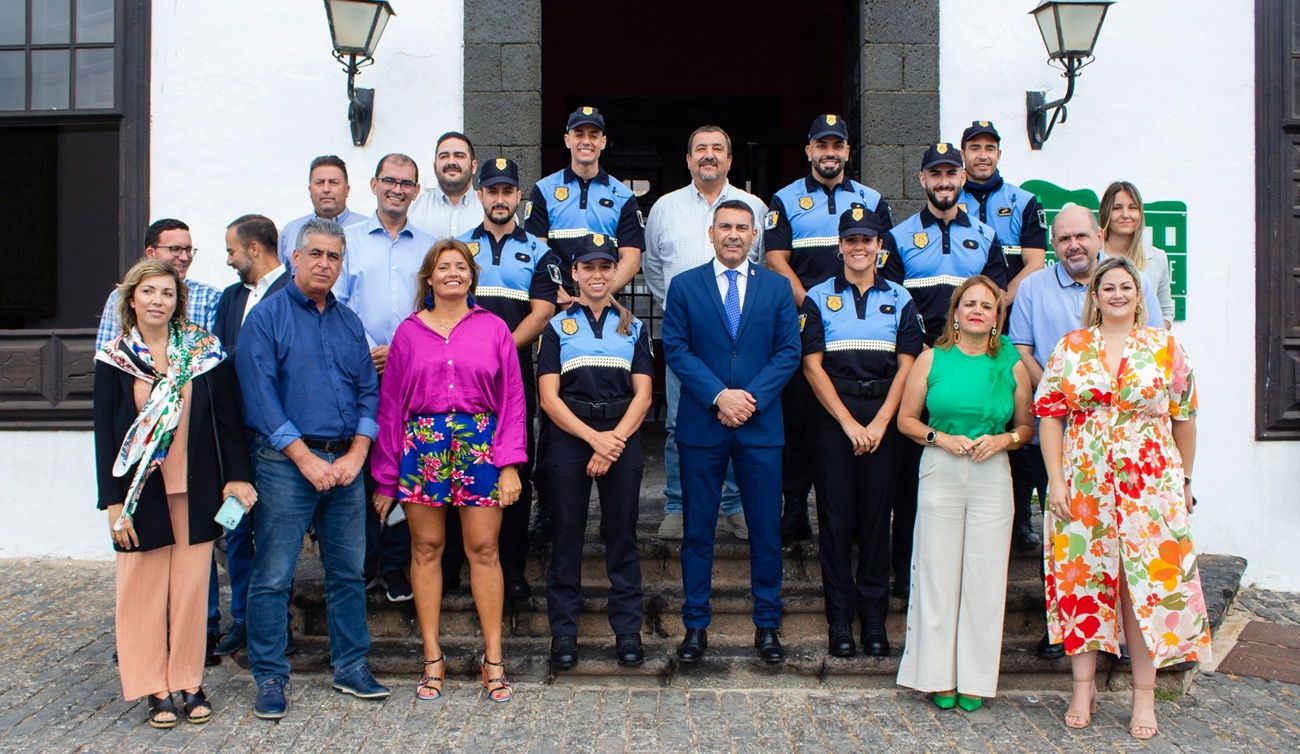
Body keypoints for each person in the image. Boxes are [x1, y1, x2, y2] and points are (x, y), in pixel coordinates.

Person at [1034, 256, 1209, 740]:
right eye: (1106, 287)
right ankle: (1082, 687)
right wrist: (1056, 481)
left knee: (1144, 590)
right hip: (1084, 486)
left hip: (1150, 488)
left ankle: (1144, 696)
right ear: (1094, 296)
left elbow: (1185, 417)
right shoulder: (1071, 347)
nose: (1116, 294)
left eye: (1125, 287)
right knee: (1083, 585)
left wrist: (1185, 480)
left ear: (1138, 296)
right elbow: (1049, 415)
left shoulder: (1164, 347)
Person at [237, 218, 389, 719]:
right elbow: (259, 396)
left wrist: (357, 455)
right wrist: (303, 458)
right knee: (274, 574)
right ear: (295, 259)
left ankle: (350, 666)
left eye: (334, 257)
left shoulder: (348, 322)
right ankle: (270, 675)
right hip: (285, 465)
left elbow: (369, 389)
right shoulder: (268, 317)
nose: (325, 264)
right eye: (317, 254)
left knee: (347, 573)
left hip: (346, 463)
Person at [93, 259, 255, 728]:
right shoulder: (115, 357)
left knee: (189, 593)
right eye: (149, 292)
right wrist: (113, 502)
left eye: (166, 293)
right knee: (141, 591)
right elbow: (105, 432)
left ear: (177, 301)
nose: (158, 301)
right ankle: (154, 686)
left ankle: (187, 678)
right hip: (141, 493)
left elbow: (228, 418)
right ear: (132, 299)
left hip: (196, 486)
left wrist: (237, 475)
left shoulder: (204, 351)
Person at [369, 239, 526, 703]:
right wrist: (385, 476)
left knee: (484, 548)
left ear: (471, 277)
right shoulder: (408, 332)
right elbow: (391, 406)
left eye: (461, 266)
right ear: (429, 278)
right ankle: (432, 656)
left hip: (481, 445)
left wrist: (510, 464)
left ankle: (493, 658)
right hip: (423, 447)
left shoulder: (494, 328)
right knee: (425, 547)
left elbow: (513, 402)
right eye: (444, 267)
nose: (453, 273)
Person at [1008, 204, 1164, 662]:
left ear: (1099, 234)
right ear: (1053, 246)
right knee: (1065, 539)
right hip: (1059, 433)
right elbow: (1021, 348)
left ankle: (1118, 633)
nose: (1073, 245)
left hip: (1131, 449)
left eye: (1080, 236)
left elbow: (1152, 340)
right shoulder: (1036, 286)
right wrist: (1060, 390)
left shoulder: (1127, 279)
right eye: (1063, 240)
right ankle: (1061, 628)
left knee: (1129, 545)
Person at [662, 200, 801, 664]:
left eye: (744, 227)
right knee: (698, 530)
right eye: (726, 226)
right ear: (711, 232)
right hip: (703, 424)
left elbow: (788, 353)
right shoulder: (684, 287)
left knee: (764, 530)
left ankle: (767, 625)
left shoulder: (778, 289)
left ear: (755, 235)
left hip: (761, 427)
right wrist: (720, 396)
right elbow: (677, 350)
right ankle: (695, 625)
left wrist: (750, 399)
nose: (734, 234)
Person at [895, 275, 1034, 711]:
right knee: (937, 573)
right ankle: (937, 674)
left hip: (991, 469)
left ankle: (975, 677)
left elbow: (1027, 427)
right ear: (955, 312)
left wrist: (1003, 441)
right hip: (942, 466)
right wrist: (940, 438)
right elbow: (907, 420)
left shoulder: (1009, 363)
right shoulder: (931, 359)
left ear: (996, 317)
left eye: (986, 305)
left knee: (985, 577)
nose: (977, 310)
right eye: (968, 303)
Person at [883, 142, 1008, 602]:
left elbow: (997, 301)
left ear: (961, 179)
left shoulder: (987, 236)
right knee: (910, 482)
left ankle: (966, 582)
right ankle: (906, 576)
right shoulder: (897, 237)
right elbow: (889, 302)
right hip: (920, 364)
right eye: (934, 174)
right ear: (922, 181)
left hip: (972, 366)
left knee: (972, 475)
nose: (943, 182)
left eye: (950, 174)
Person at [764, 114, 893, 543]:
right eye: (822, 144)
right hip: (805, 322)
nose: (830, 152)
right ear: (809, 151)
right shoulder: (784, 200)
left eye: (837, 145)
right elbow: (777, 262)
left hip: (862, 325)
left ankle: (856, 511)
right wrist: (816, 304)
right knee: (799, 416)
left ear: (847, 152)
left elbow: (885, 259)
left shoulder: (873, 199)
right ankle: (796, 507)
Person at [800, 208, 923, 658]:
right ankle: (839, 622)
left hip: (883, 415)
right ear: (840, 246)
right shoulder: (816, 297)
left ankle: (874, 620)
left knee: (876, 520)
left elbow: (908, 365)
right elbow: (811, 367)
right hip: (835, 418)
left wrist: (880, 422)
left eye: (866, 240)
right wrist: (849, 423)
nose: (858, 247)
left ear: (879, 248)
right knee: (835, 521)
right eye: (850, 240)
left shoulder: (900, 298)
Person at [442, 157, 559, 600]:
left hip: (511, 379)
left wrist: (498, 354)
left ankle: (512, 568)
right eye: (492, 191)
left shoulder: (540, 251)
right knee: (455, 464)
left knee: (513, 467)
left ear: (518, 198)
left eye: (508, 191)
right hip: (460, 381)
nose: (499, 198)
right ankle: (453, 566)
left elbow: (544, 311)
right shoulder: (456, 251)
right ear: (480, 195)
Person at [643, 125, 766, 541]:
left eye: (717, 149)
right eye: (700, 149)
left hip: (741, 338)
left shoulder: (754, 207)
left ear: (730, 160)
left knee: (738, 417)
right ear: (688, 159)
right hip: (689, 340)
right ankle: (678, 504)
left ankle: (732, 504)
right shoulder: (664, 207)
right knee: (681, 424)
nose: (708, 155)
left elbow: (760, 268)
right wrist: (684, 311)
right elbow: (654, 268)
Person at [538, 234, 653, 670]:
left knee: (622, 538)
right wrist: (594, 440)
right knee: (566, 536)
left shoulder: (634, 326)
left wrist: (614, 441)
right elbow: (549, 398)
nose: (598, 275)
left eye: (606, 267)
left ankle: (627, 632)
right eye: (589, 267)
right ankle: (563, 634)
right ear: (575, 273)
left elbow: (643, 395)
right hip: (573, 435)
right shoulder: (557, 327)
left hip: (621, 432)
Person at [336, 153, 437, 603]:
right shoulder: (347, 240)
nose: (398, 189)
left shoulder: (430, 246)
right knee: (361, 465)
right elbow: (334, 301)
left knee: (406, 465)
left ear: (417, 191)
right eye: (390, 181)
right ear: (374, 185)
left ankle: (396, 565)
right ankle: (363, 563)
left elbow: (439, 307)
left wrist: (401, 345)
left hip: (414, 373)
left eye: (407, 183)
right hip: (359, 371)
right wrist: (367, 348)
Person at [958, 119, 1049, 551]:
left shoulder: (1024, 201)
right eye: (974, 147)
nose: (982, 154)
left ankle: (1019, 522)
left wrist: (998, 303)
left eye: (989, 147)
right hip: (962, 334)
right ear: (963, 154)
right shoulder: (946, 196)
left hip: (1008, 329)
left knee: (1017, 422)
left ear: (999, 154)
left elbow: (1034, 261)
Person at [210, 214, 291, 659]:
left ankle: (278, 625)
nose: (228, 260)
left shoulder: (292, 293)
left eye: (232, 251)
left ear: (255, 249)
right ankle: (242, 618)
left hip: (276, 433)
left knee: (277, 532)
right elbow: (222, 360)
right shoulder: (229, 298)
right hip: (235, 432)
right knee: (236, 528)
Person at [526, 106, 645, 299]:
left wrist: (595, 296)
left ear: (603, 142)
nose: (586, 141)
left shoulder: (623, 195)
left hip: (606, 303)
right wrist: (560, 295)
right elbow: (534, 252)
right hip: (556, 301)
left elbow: (631, 260)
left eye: (594, 135)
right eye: (579, 134)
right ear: (567, 140)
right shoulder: (544, 189)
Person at [96, 218, 222, 351]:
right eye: (175, 249)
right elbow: (105, 353)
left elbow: (213, 355)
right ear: (151, 253)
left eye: (188, 250)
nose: (185, 257)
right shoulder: (120, 296)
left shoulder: (209, 297)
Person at [1100, 180, 1174, 327]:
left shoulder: (1157, 257)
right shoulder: (1093, 257)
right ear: (1105, 212)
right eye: (1117, 208)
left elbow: (1166, 312)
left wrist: (1146, 340)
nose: (1125, 215)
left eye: (1133, 208)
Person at [278, 155, 367, 268]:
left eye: (333, 182)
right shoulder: (290, 232)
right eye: (319, 182)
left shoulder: (366, 230)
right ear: (310, 190)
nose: (326, 189)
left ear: (347, 190)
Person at [408, 131, 484, 241]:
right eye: (444, 156)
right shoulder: (414, 211)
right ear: (434, 167)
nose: (451, 162)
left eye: (459, 156)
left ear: (473, 166)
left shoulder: (489, 209)